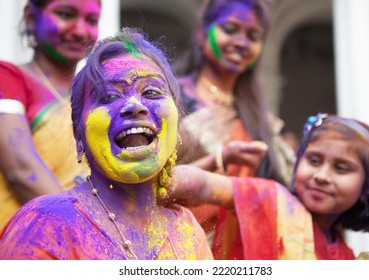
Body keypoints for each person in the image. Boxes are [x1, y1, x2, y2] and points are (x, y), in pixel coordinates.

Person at [0, 27, 213, 260]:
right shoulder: (43, 225)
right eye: (109, 96)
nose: (134, 105)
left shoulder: (188, 232)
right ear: (78, 136)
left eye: (152, 92)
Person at [169, 113, 369, 259]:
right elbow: (200, 184)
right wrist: (220, 158)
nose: (322, 176)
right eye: (314, 160)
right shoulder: (270, 199)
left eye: (341, 168)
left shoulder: (345, 257)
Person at [174, 0, 295, 245]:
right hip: (181, 244)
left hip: (244, 247)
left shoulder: (259, 117)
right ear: (201, 33)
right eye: (230, 29)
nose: (241, 42)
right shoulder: (171, 96)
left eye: (253, 36)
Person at [0, 0, 101, 229]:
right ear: (31, 15)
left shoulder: (98, 96)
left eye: (91, 21)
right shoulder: (7, 78)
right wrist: (90, 234)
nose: (80, 31)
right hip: (24, 246)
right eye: (65, 14)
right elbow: (22, 170)